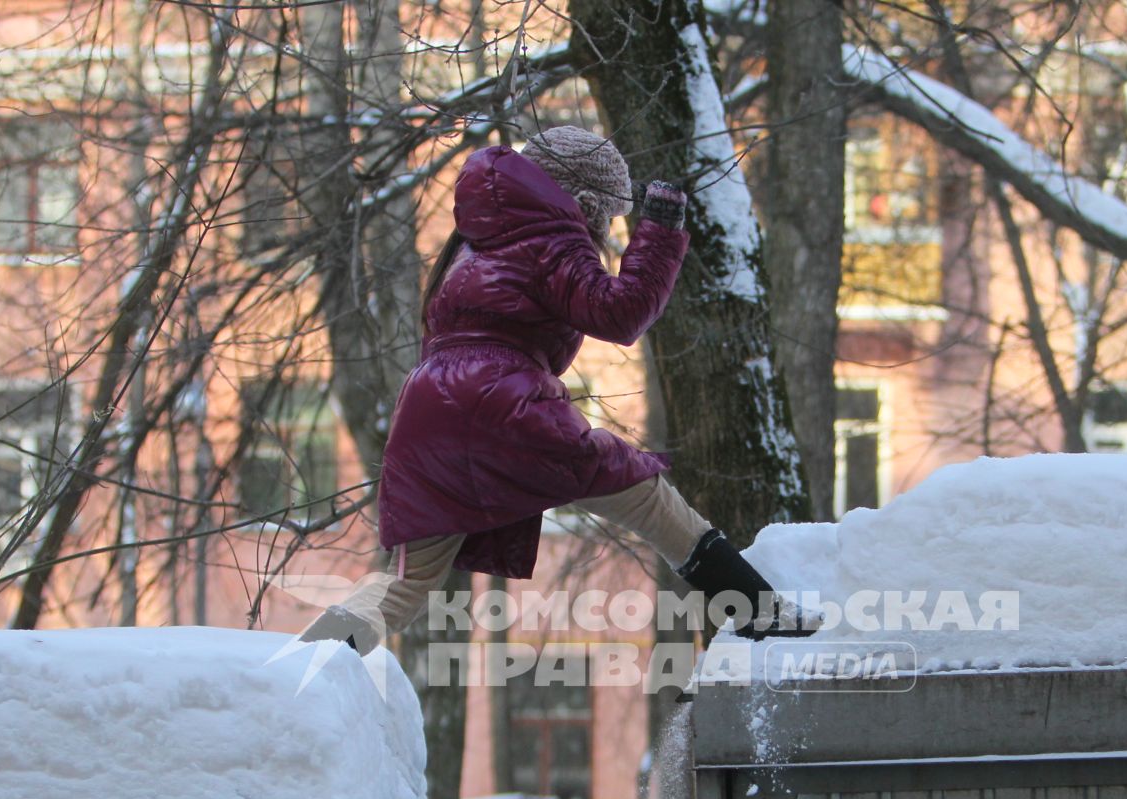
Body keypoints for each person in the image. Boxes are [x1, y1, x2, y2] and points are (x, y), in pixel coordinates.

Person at [300, 125, 814, 653]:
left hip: (430, 408)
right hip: (500, 402)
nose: (608, 230)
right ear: (584, 201)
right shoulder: (550, 236)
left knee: (405, 583)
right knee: (646, 495)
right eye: (608, 216)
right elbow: (620, 313)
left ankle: (299, 671)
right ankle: (760, 613)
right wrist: (659, 230)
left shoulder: (476, 240)